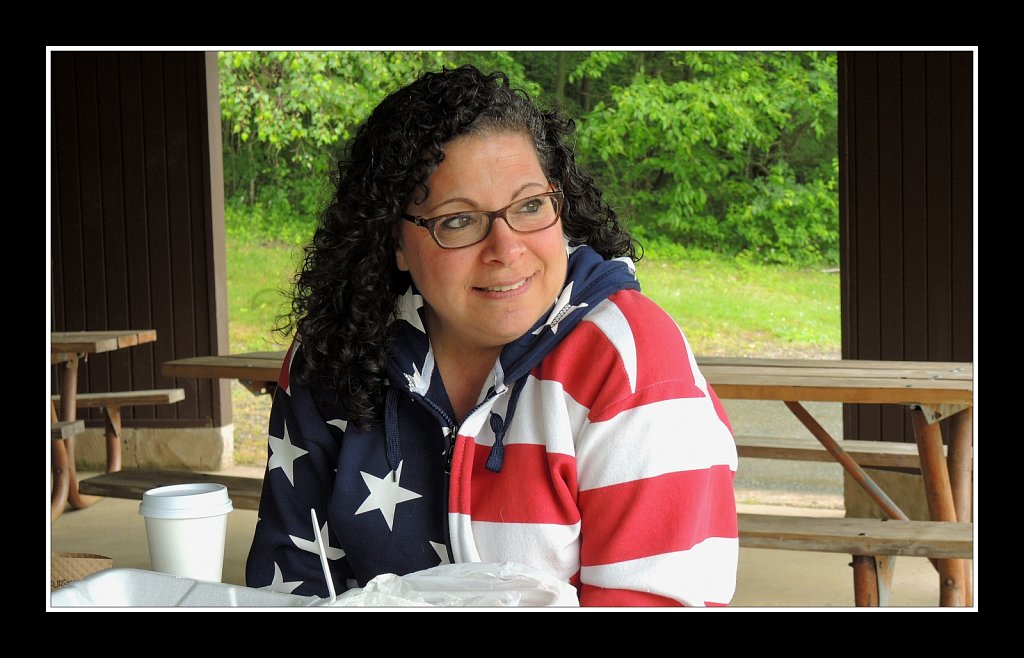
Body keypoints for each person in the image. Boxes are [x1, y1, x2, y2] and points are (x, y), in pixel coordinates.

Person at [246, 65, 738, 606]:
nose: (506, 249)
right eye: (458, 220)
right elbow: (290, 582)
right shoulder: (334, 352)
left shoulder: (632, 361)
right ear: (396, 242)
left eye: (529, 206)